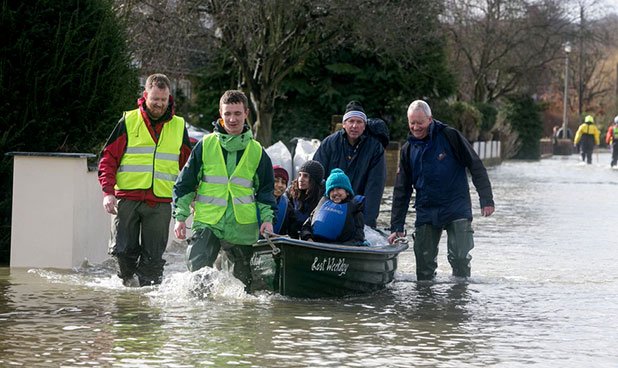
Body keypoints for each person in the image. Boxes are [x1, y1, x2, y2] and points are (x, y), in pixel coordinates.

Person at [172, 90, 276, 292]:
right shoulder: (205, 145)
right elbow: (185, 183)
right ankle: (200, 321)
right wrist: (180, 217)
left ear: (246, 113)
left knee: (242, 289)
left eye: (237, 113)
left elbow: (265, 191)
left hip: (242, 226)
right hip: (208, 221)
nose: (232, 119)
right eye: (227, 113)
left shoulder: (258, 152)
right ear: (220, 113)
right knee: (197, 278)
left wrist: (267, 219)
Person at [98, 73, 192, 287]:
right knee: (122, 253)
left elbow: (188, 167)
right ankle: (128, 298)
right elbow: (108, 158)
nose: (159, 104)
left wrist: (190, 198)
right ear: (145, 95)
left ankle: (147, 306)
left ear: (169, 98)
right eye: (155, 99)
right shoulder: (128, 120)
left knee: (153, 260)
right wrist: (108, 192)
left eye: (164, 99)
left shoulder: (178, 126)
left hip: (160, 201)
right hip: (127, 198)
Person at [388, 100, 495, 280]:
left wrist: (486, 199)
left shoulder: (450, 136)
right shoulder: (408, 150)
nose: (416, 127)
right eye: (412, 123)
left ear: (430, 119)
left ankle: (459, 298)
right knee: (423, 268)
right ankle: (426, 304)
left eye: (420, 122)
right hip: (426, 209)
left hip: (456, 206)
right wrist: (396, 225)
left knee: (460, 258)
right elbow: (402, 190)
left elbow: (475, 165)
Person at [313, 101, 387, 228]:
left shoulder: (375, 148)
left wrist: (367, 223)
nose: (354, 126)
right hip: (329, 207)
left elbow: (375, 187)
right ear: (344, 124)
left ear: (364, 126)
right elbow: (316, 176)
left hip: (357, 208)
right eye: (351, 121)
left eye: (359, 122)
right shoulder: (329, 143)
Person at [300, 168, 366, 245]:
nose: (335, 193)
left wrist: (340, 247)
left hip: (340, 249)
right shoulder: (321, 206)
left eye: (339, 188)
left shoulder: (355, 211)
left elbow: (358, 238)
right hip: (316, 245)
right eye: (331, 190)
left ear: (347, 192)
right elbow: (306, 227)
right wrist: (308, 238)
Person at [286, 160, 325, 239]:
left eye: (305, 176)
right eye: (300, 175)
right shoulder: (291, 193)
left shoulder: (323, 198)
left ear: (314, 179)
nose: (300, 179)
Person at [272, 165, 296, 235]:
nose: (280, 185)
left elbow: (293, 232)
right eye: (275, 181)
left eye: (283, 182)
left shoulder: (287, 206)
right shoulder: (254, 201)